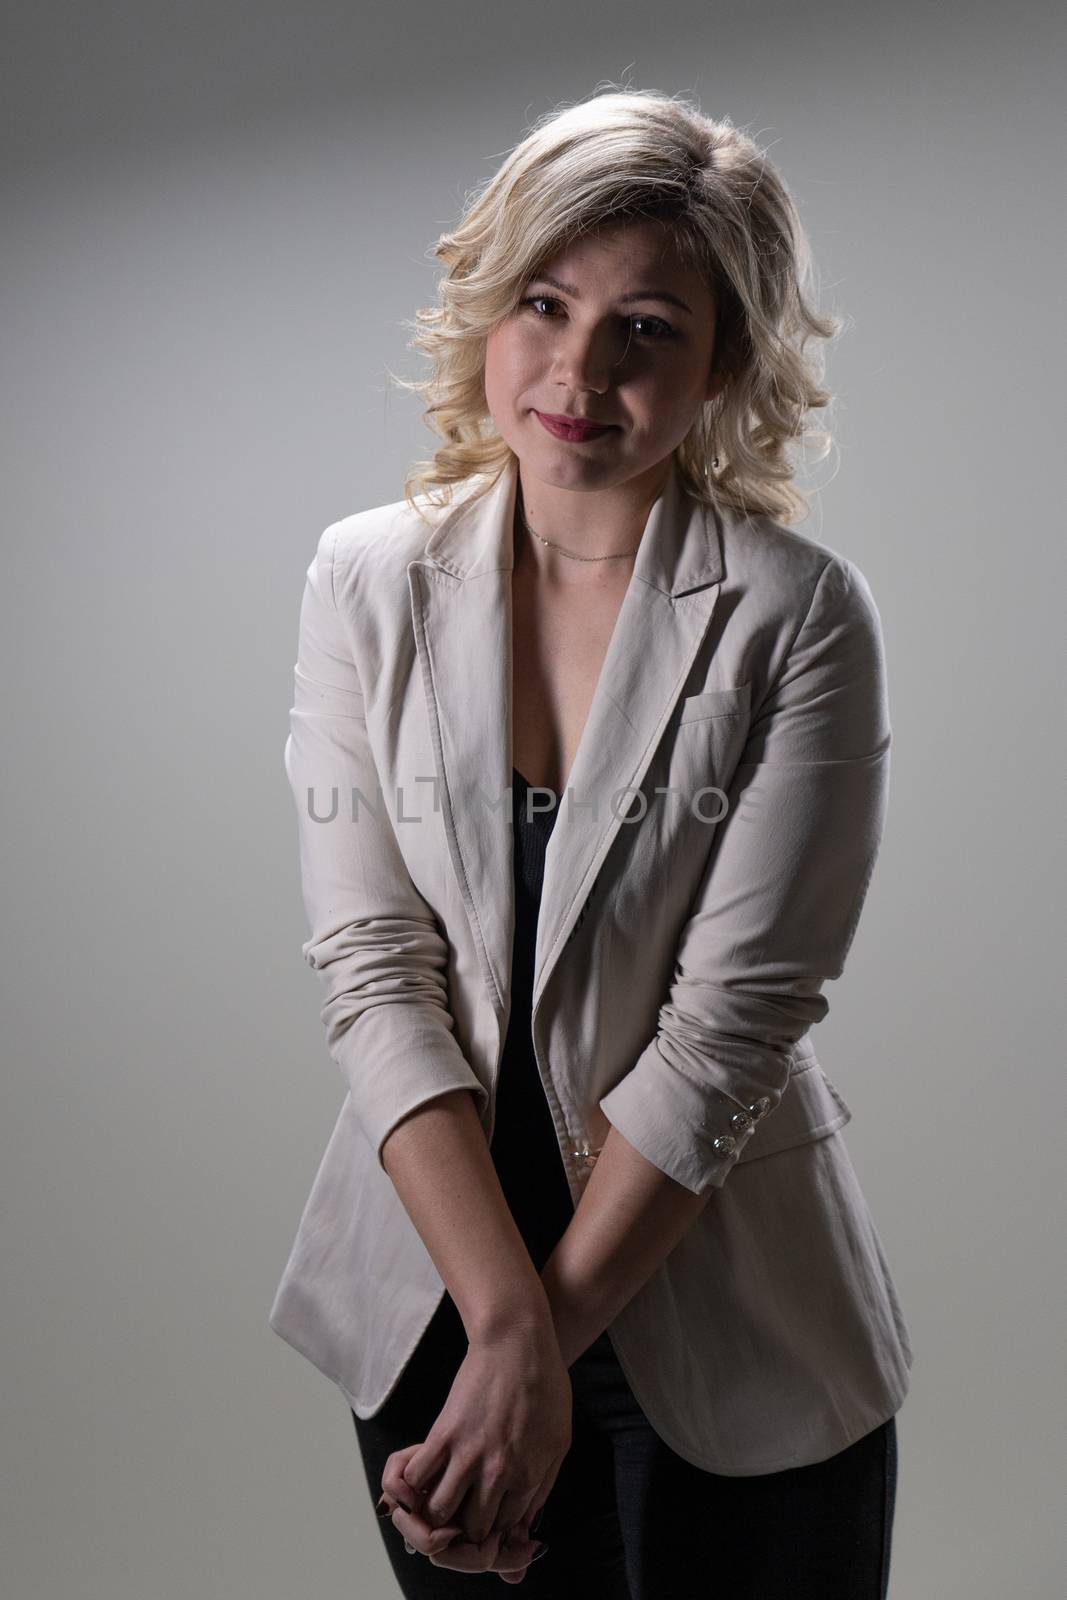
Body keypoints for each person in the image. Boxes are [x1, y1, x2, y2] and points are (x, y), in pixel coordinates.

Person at [268, 88, 913, 1598]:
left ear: (726, 364)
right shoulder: (364, 580)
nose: (578, 372)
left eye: (648, 329)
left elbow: (734, 1022)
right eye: (545, 304)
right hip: (435, 1292)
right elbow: (374, 967)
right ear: (486, 305)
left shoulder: (799, 614)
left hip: (735, 1309)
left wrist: (525, 1359)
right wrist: (500, 1339)